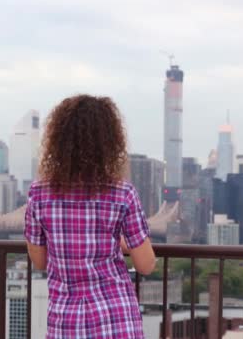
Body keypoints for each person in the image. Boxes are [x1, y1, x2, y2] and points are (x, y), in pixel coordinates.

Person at [24, 94, 156, 338]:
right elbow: (146, 265)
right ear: (110, 142)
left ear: (58, 141)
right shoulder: (122, 193)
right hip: (116, 319)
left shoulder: (39, 194)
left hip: (66, 323)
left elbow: (40, 261)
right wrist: (116, 243)